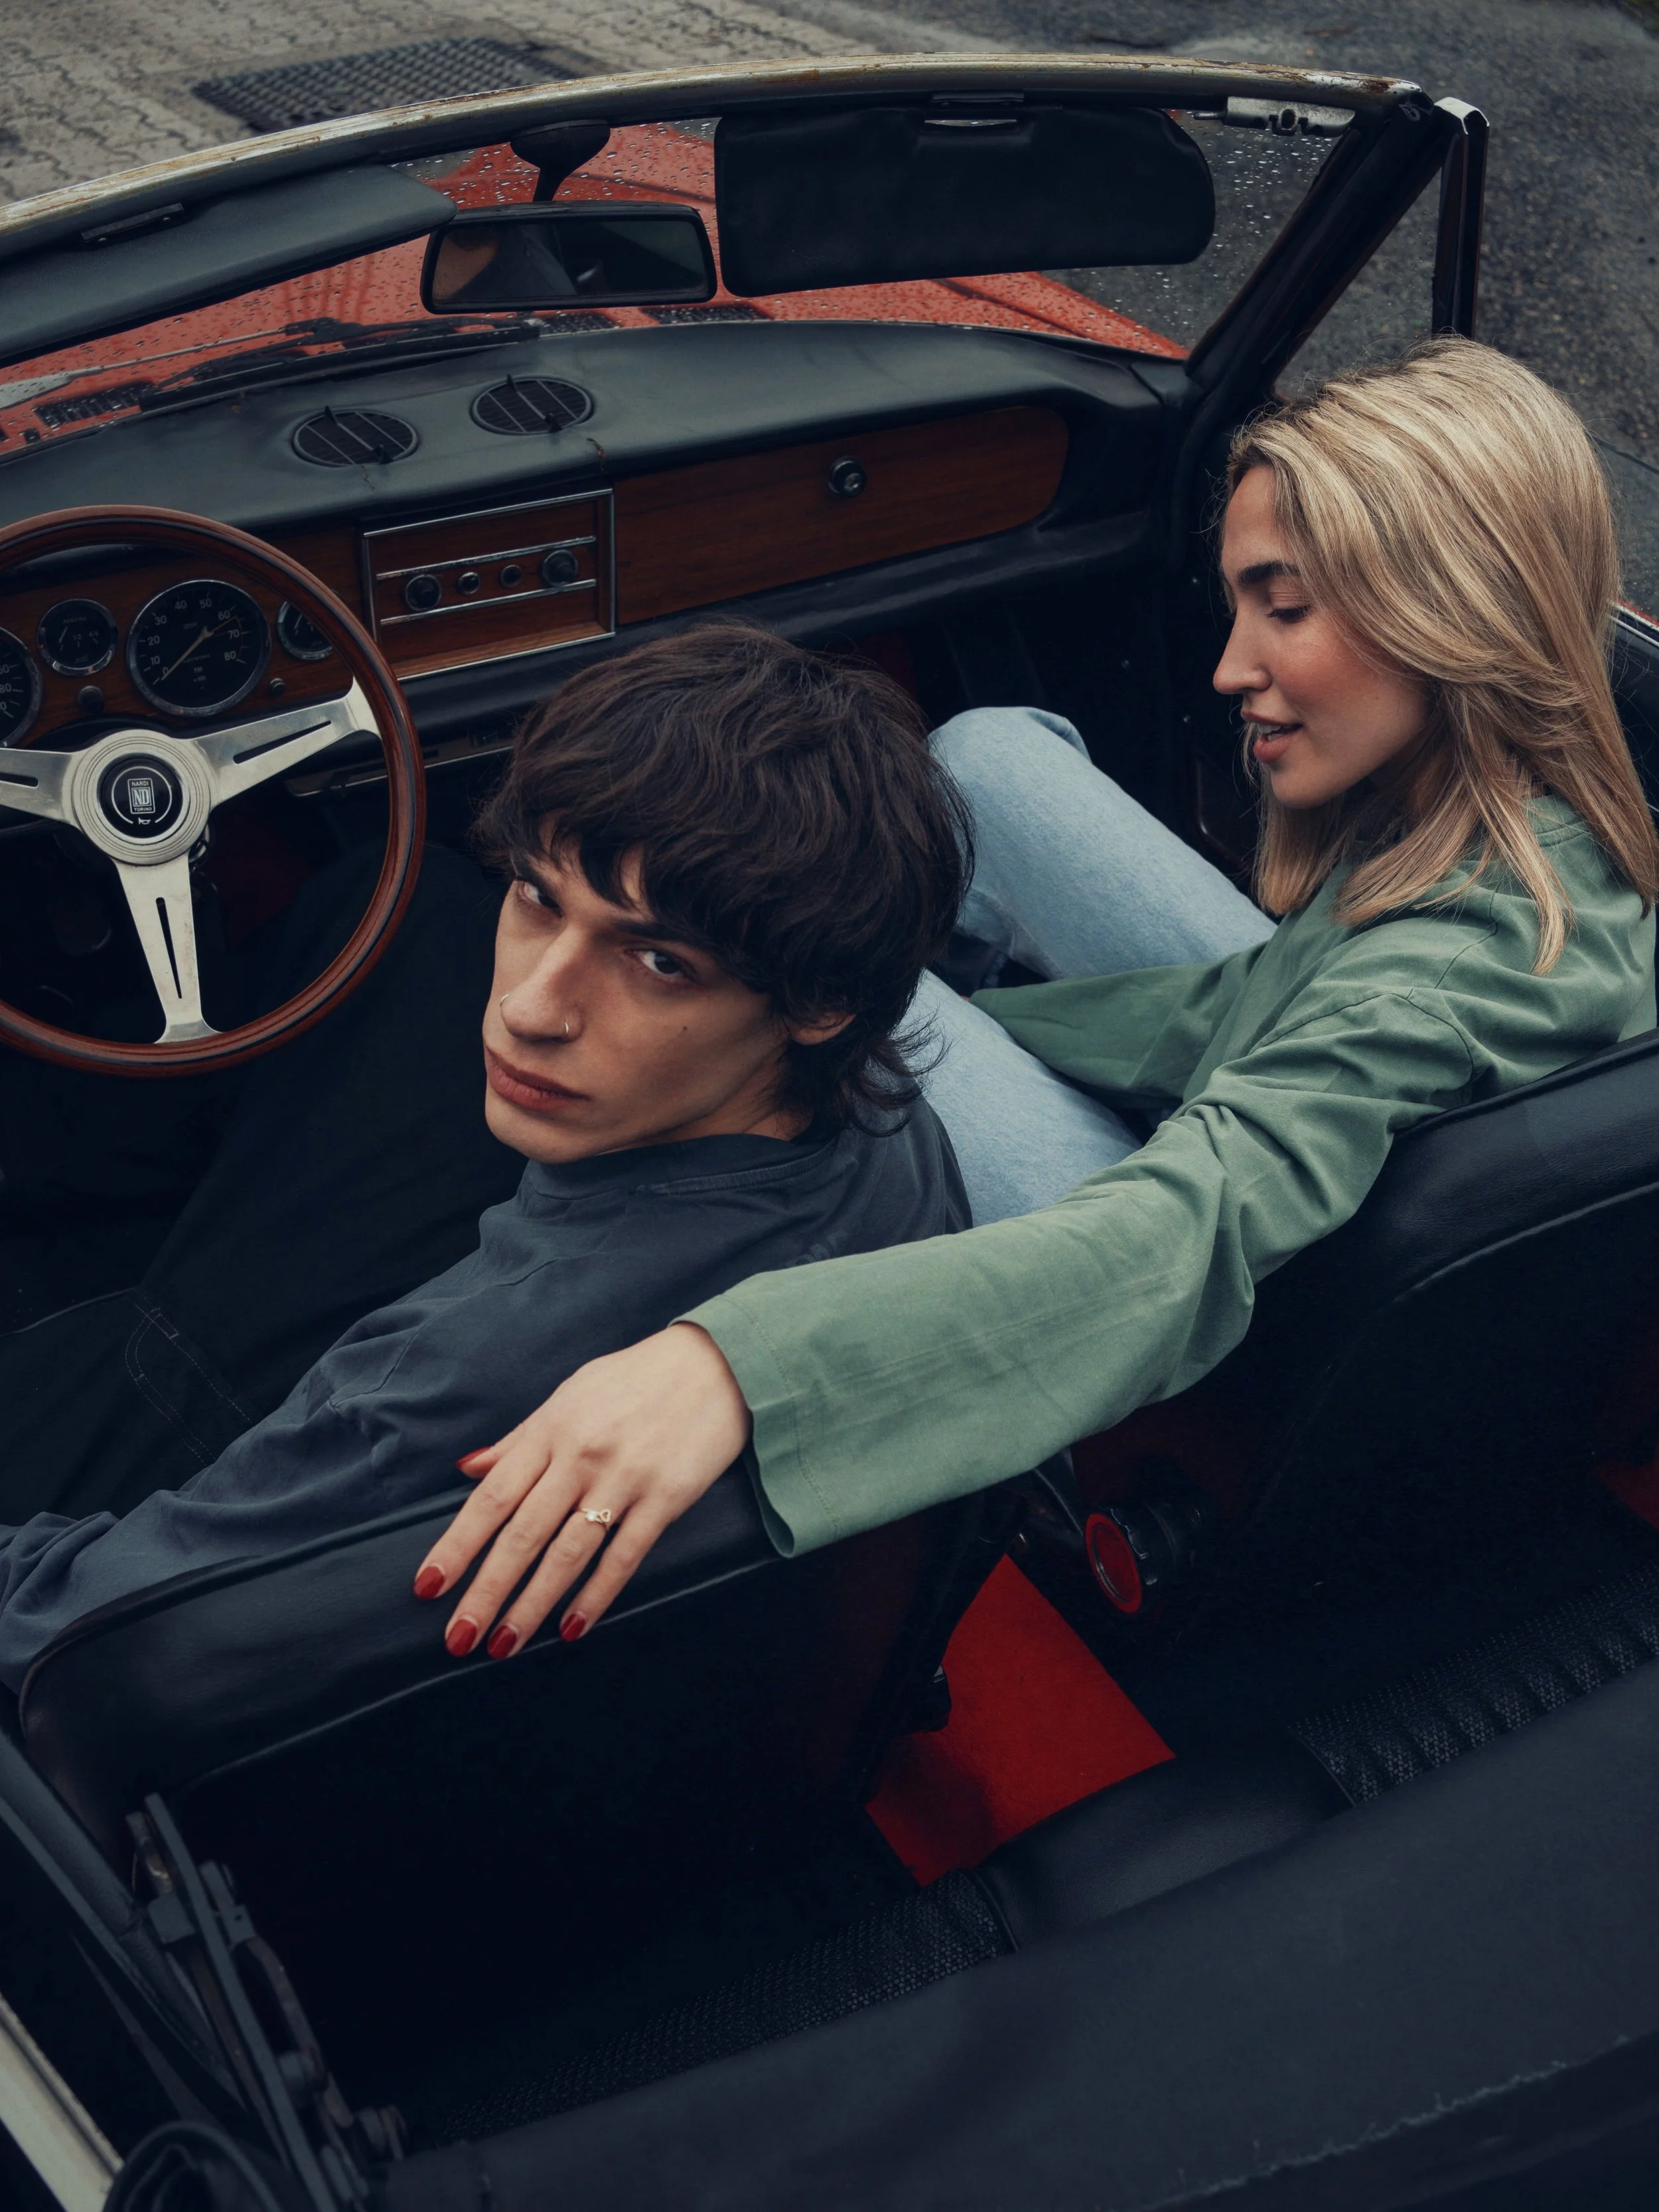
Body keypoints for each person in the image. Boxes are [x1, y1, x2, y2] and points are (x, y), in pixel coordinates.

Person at [411, 338, 1659, 1668]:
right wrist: (984, 1012)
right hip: (1361, 1194)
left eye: (1282, 608)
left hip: (1248, 1319)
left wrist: (739, 1367)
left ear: (1449, 606)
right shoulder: (1525, 831)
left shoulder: (1435, 980)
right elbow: (1240, 1007)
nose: (1232, 668)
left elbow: (1179, 1238)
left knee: (828, 1025)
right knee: (986, 754)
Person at [0, 627, 971, 1687]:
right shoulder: (895, 1138)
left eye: (658, 962)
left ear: (821, 1002)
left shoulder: (439, 1383)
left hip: (146, 1480)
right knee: (407, 903)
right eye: (539, 895)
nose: (528, 1007)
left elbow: (67, 1628)